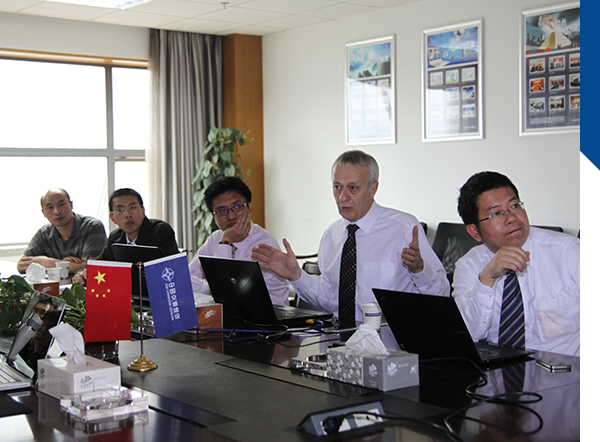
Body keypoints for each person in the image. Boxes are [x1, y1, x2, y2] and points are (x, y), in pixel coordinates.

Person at [252, 150, 450, 326]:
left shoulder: (403, 228)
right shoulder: (331, 235)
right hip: (341, 341)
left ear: (373, 189)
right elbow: (332, 300)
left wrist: (419, 269)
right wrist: (296, 275)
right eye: (337, 187)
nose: (342, 197)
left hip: (392, 344)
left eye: (352, 188)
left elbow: (442, 293)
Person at [453, 171, 580, 356]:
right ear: (475, 232)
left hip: (565, 369)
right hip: (497, 370)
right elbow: (467, 336)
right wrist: (486, 279)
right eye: (496, 213)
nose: (511, 217)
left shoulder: (569, 252)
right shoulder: (469, 266)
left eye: (514, 206)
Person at [189, 177, 289, 307]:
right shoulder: (216, 238)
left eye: (237, 207)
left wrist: (226, 242)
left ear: (249, 207)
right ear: (214, 216)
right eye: (222, 211)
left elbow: (229, 294)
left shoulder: (263, 244)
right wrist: (209, 286)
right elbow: (185, 280)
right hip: (232, 314)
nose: (231, 216)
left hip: (270, 314)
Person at [72, 188, 179, 284]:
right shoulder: (115, 238)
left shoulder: (160, 230)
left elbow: (173, 270)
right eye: (120, 210)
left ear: (142, 211)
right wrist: (84, 273)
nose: (128, 214)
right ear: (113, 218)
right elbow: (99, 264)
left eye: (132, 207)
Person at [17, 188, 106, 275]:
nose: (57, 211)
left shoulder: (92, 226)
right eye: (50, 207)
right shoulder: (44, 233)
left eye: (61, 205)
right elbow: (21, 266)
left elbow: (93, 267)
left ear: (71, 205)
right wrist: (63, 264)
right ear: (43, 212)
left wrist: (46, 262)